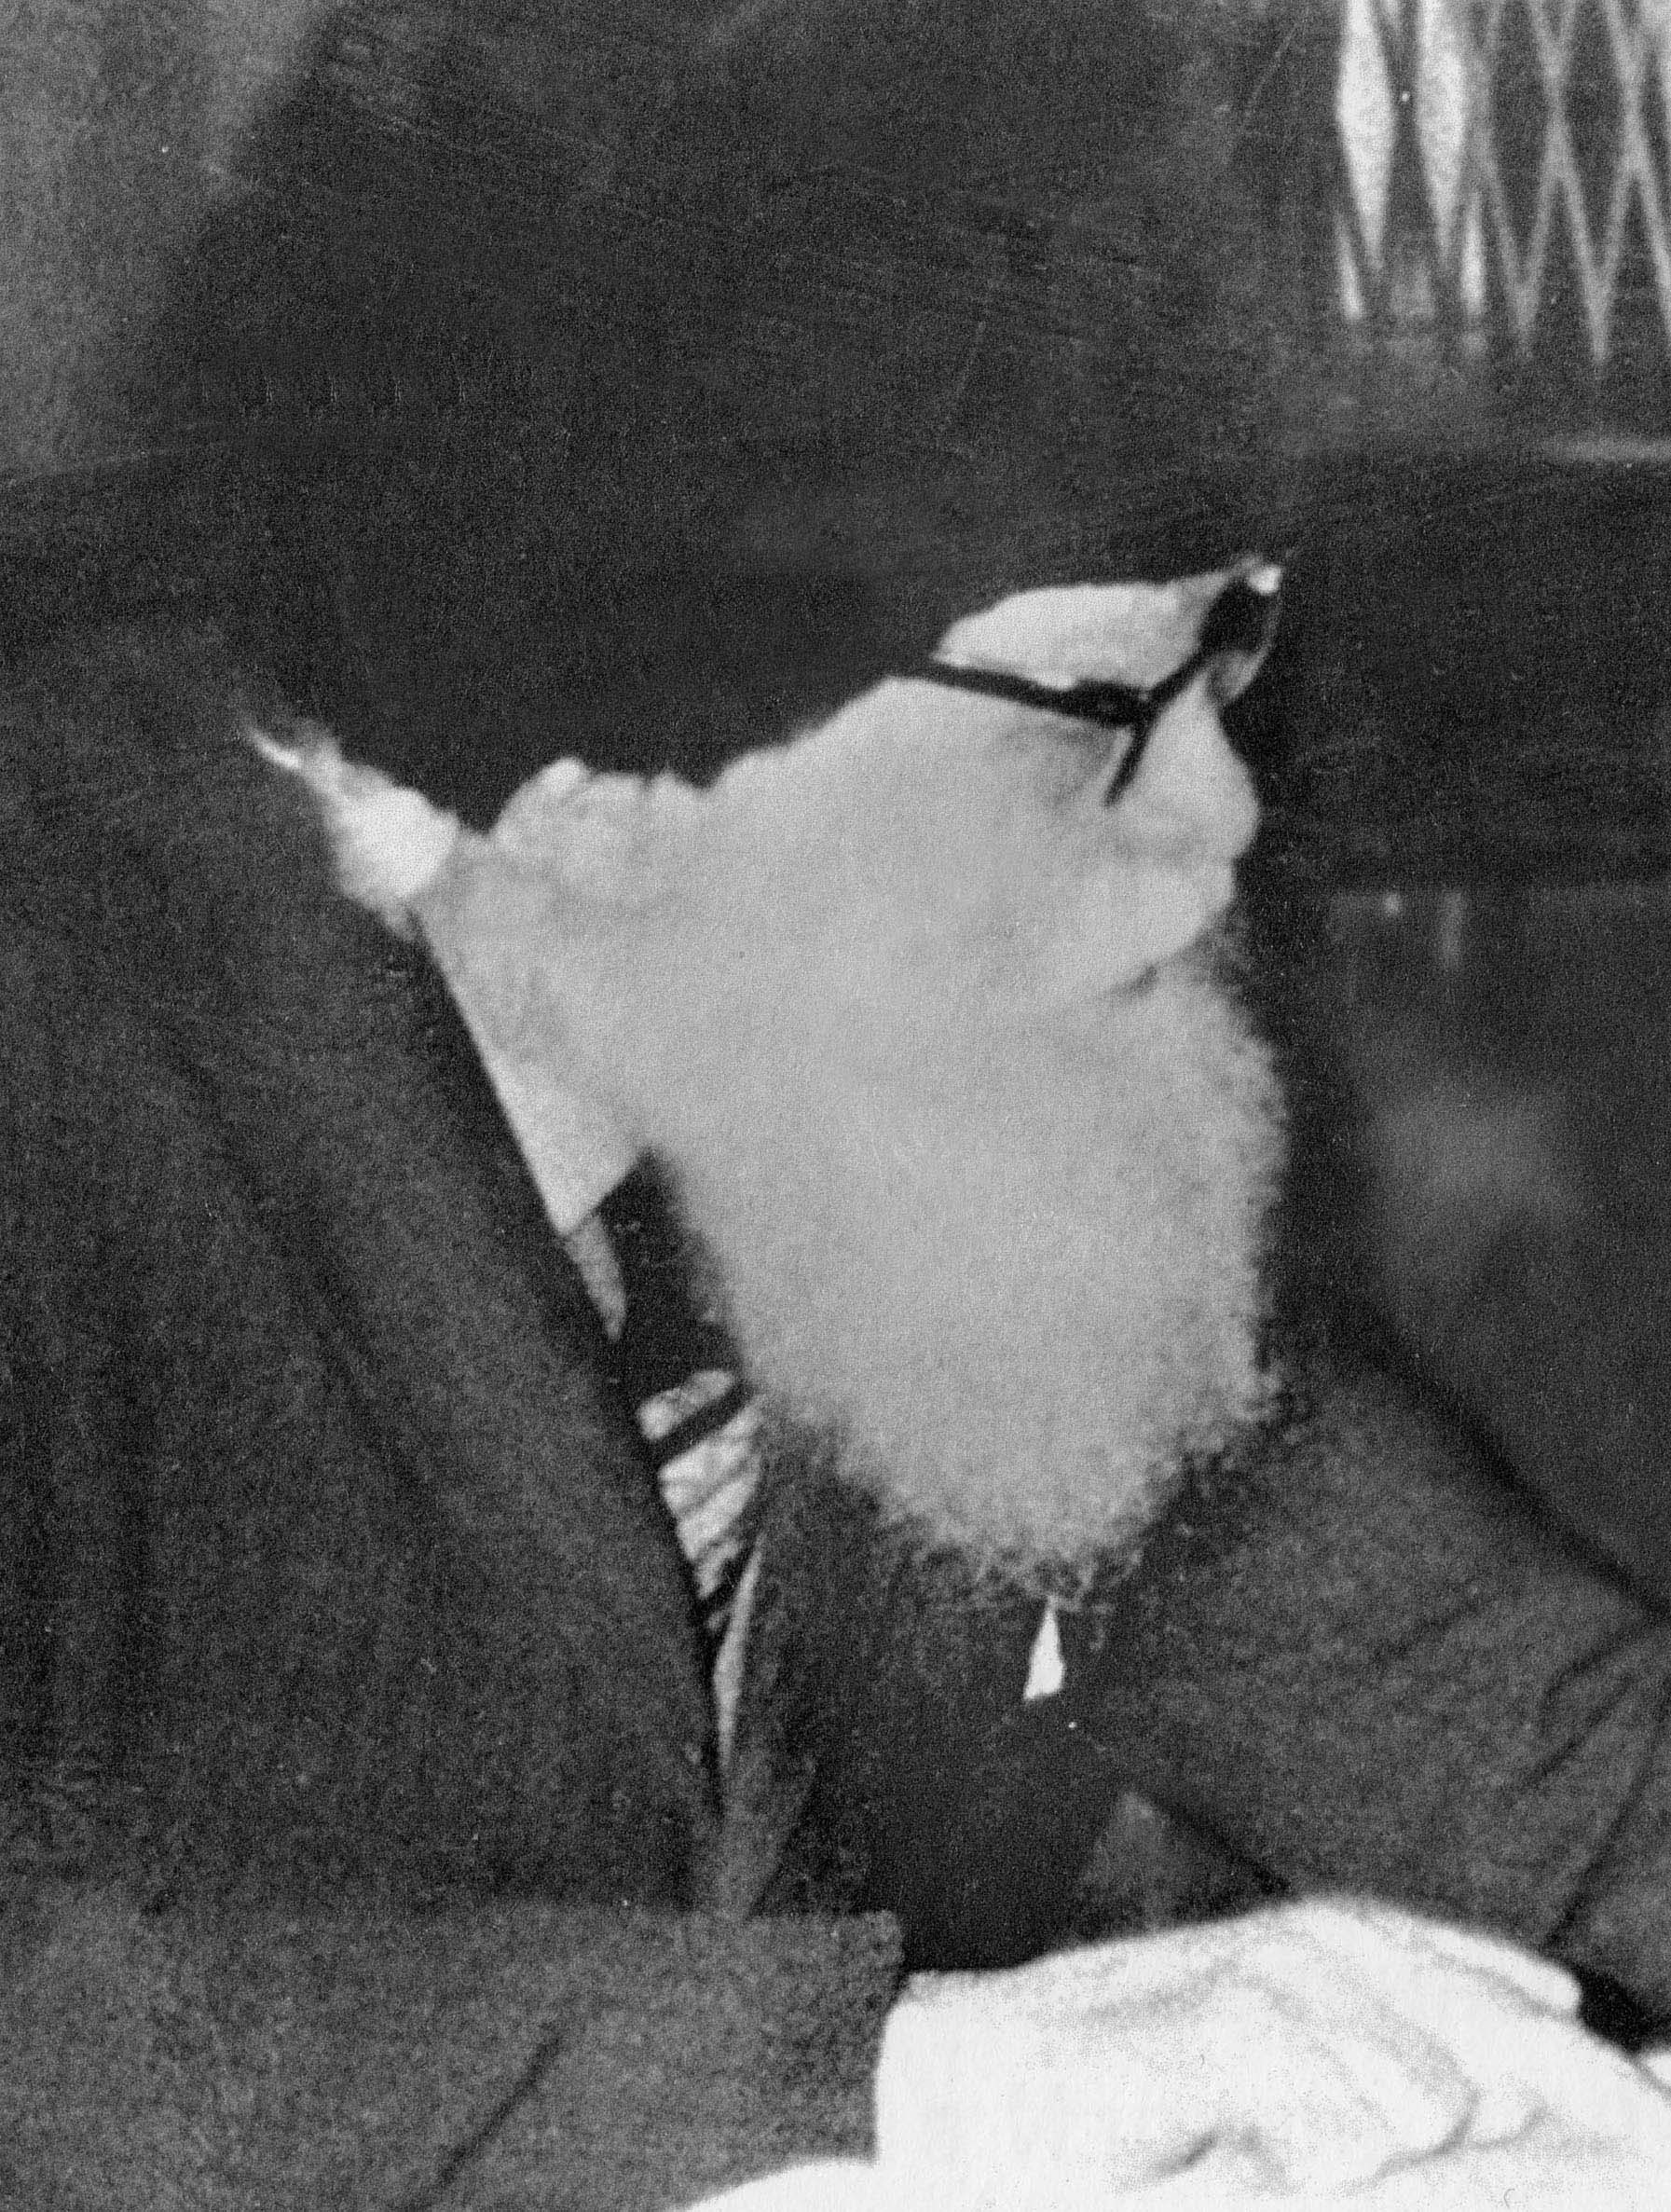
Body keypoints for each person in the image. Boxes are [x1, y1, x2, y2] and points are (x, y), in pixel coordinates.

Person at [7, 561, 1671, 2207]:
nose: (1219, 810)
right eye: (1084, 716)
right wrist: (902, 2078)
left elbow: (1539, 1750)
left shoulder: (952, 1132)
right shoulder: (60, 1055)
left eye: (1218, 660)